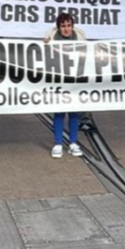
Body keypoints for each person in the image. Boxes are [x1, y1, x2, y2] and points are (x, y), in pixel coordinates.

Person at [45, 13, 86, 158]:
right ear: (59, 28)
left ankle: (73, 142)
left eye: (69, 25)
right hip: (58, 81)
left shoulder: (81, 40)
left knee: (74, 112)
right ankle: (57, 143)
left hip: (75, 80)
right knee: (59, 111)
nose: (66, 29)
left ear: (73, 26)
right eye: (63, 26)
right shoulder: (50, 41)